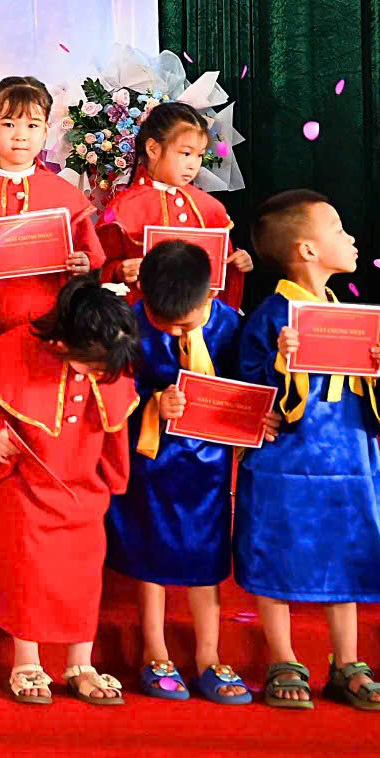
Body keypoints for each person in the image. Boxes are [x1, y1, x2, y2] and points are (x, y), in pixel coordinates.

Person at [234, 191, 380, 712]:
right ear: (307, 249)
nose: (351, 238)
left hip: (350, 460)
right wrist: (281, 364)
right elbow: (250, 392)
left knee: (346, 552)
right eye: (338, 228)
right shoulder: (269, 318)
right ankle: (283, 657)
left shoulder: (350, 316)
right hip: (286, 463)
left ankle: (346, 662)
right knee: (275, 551)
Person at [0, 277, 136, 706]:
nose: (98, 374)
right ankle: (27, 661)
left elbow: (115, 427)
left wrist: (110, 479)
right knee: (25, 573)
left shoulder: (111, 353)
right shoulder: (16, 348)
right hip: (21, 486)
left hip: (83, 486)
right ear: (62, 343)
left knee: (83, 577)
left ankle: (80, 664)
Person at [104, 239, 251, 705]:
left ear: (210, 295)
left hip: (208, 467)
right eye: (163, 320)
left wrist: (255, 417)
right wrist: (153, 404)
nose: (172, 329)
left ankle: (209, 655)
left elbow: (247, 387)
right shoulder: (130, 326)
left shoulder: (230, 326)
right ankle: (155, 651)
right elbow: (111, 392)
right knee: (150, 554)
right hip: (151, 462)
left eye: (184, 324)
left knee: (207, 558)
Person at [0, 75, 100, 351]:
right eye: (9, 124)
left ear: (46, 130)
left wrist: (85, 263)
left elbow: (93, 256)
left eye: (32, 125)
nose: (21, 135)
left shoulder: (64, 194)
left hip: (48, 325)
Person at [99, 101, 250, 306]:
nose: (193, 164)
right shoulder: (122, 209)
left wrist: (236, 263)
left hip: (199, 318)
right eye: (185, 153)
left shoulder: (210, 208)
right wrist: (119, 270)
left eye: (199, 155)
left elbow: (220, 273)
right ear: (153, 149)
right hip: (142, 319)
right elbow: (98, 266)